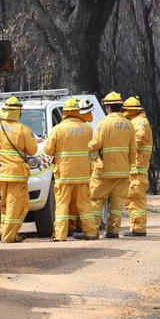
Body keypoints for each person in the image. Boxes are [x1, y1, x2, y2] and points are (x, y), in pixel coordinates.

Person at [43, 98, 97, 240]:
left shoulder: (58, 129)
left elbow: (48, 150)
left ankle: (60, 236)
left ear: (65, 113)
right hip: (83, 174)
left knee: (62, 205)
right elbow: (93, 152)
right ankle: (91, 232)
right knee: (84, 204)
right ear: (78, 112)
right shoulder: (88, 129)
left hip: (64, 174)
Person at [88, 92, 137, 238]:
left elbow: (95, 144)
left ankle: (92, 231)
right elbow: (133, 152)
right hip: (122, 171)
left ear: (108, 108)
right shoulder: (129, 125)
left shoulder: (104, 123)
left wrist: (88, 146)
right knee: (117, 203)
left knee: (96, 201)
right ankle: (113, 231)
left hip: (105, 171)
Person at [0, 96, 38, 243]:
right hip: (16, 174)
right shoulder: (23, 130)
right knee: (16, 205)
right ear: (18, 112)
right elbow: (32, 150)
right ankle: (8, 236)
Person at [122, 97, 153, 236]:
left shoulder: (139, 122)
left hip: (138, 166)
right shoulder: (139, 120)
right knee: (133, 197)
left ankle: (138, 228)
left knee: (136, 198)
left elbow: (139, 138)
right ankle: (136, 226)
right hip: (137, 167)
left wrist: (129, 150)